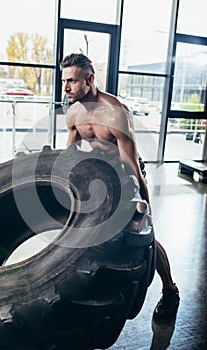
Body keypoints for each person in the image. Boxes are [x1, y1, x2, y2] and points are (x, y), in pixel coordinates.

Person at [60, 53, 180, 322]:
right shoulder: (74, 113)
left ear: (90, 79)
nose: (66, 87)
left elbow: (132, 164)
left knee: (145, 239)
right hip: (98, 178)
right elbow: (69, 153)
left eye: (72, 81)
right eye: (64, 80)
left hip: (126, 176)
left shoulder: (115, 113)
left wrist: (144, 205)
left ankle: (170, 291)